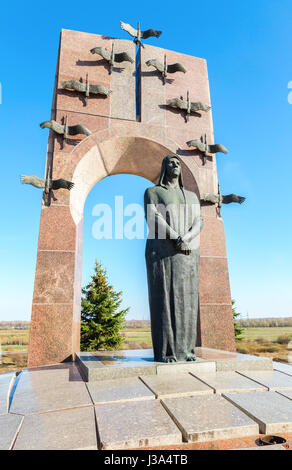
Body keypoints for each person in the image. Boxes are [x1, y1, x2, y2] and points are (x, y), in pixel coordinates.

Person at [144, 154, 203, 362]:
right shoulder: (153, 192)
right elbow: (153, 217)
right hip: (162, 254)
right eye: (171, 161)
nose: (175, 164)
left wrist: (186, 238)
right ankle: (166, 351)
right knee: (165, 299)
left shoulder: (192, 197)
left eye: (178, 162)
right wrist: (175, 237)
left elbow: (199, 221)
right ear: (164, 167)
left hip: (188, 253)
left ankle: (187, 350)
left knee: (187, 301)